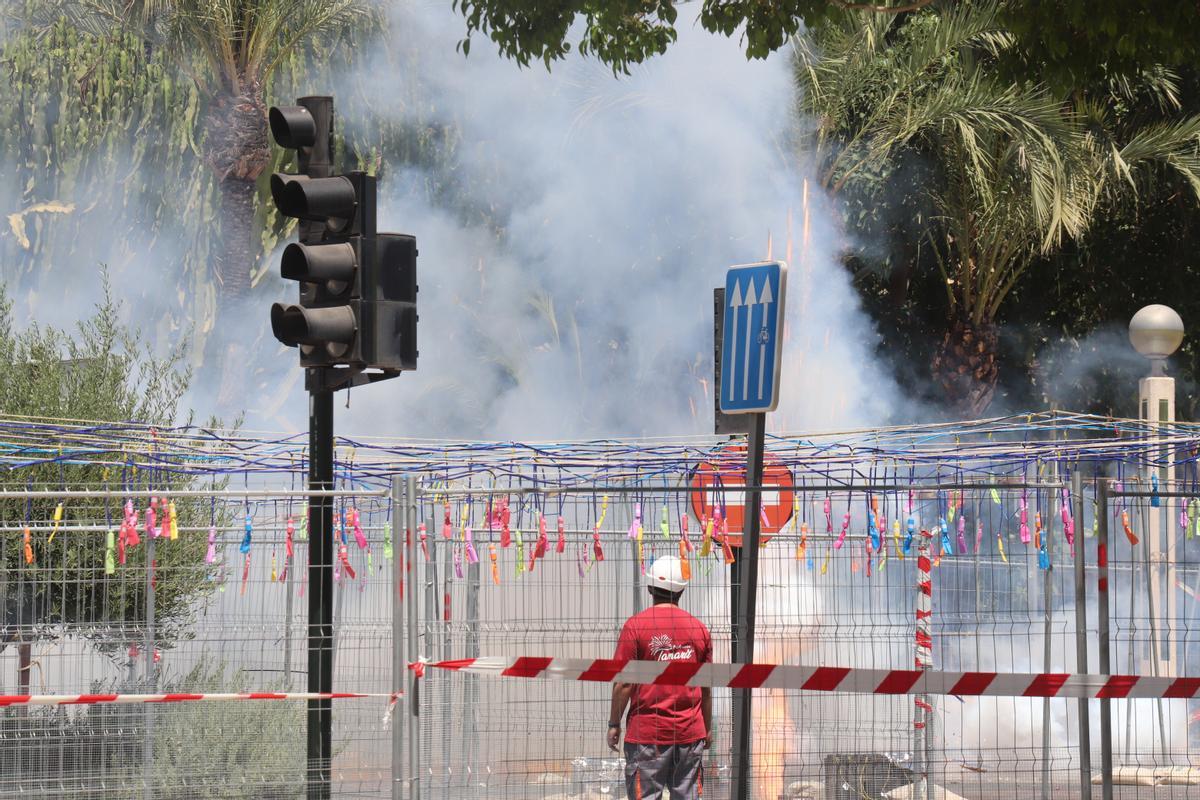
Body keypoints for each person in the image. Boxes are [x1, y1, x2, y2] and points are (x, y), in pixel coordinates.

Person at [607, 554, 713, 799]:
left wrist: (614, 723)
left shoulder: (635, 626)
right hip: (689, 734)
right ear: (681, 591)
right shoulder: (699, 630)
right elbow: (706, 687)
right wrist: (706, 728)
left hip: (647, 736)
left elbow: (624, 683)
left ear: (650, 587)